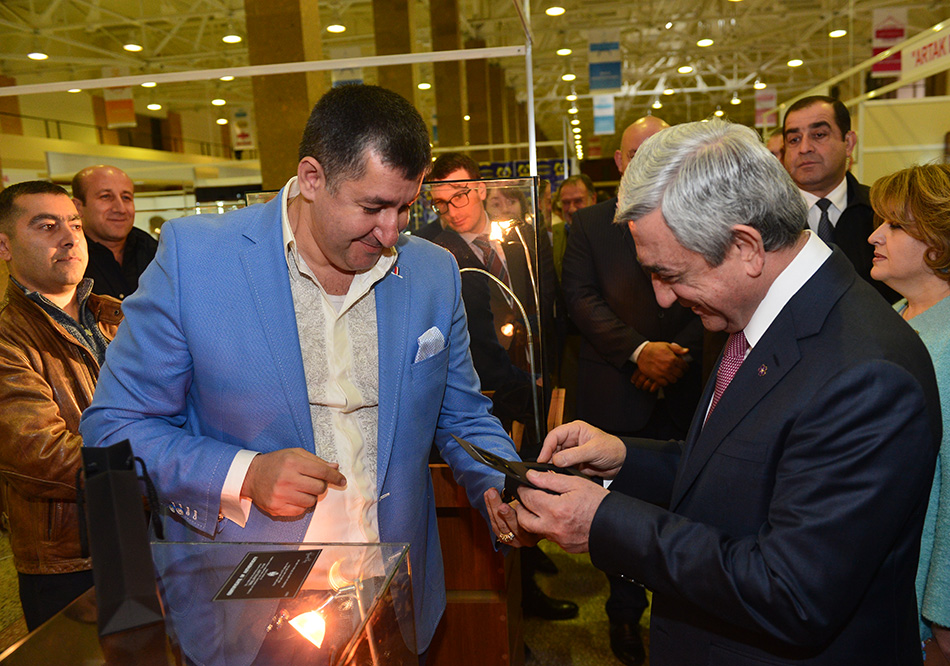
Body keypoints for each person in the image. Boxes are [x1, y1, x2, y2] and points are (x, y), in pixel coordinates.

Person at [80, 85, 519, 665]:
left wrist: (500, 484)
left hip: (392, 590)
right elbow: (113, 429)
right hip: (247, 604)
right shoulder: (196, 259)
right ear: (312, 178)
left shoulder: (433, 271)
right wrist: (246, 474)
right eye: (372, 207)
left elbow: (462, 414)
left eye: (405, 207)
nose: (391, 233)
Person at [485, 119, 942, 665]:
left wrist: (602, 522)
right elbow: (741, 469)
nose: (663, 297)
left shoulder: (866, 375)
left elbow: (790, 591)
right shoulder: (769, 316)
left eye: (670, 273)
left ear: (746, 246)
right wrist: (624, 459)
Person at [561, 115, 703, 666]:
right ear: (620, 162)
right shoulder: (591, 224)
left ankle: (680, 613)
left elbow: (714, 287)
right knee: (613, 509)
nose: (651, 160)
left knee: (688, 506)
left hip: (686, 387)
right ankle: (623, 614)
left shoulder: (698, 214)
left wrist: (675, 354)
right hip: (616, 390)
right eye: (639, 152)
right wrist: (641, 352)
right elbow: (580, 299)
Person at [426, 153, 576, 621]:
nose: (451, 210)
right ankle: (523, 593)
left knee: (535, 471)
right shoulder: (432, 250)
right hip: (482, 392)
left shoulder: (522, 237)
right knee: (505, 486)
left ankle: (535, 554)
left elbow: (547, 306)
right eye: (440, 203)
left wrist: (545, 374)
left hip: (532, 380)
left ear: (482, 188)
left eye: (459, 196)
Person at [868, 163, 950, 666]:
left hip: (925, 615)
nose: (875, 235)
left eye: (895, 225)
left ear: (943, 242)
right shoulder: (898, 314)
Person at [0, 181, 123, 630]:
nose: (70, 237)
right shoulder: (8, 341)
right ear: (4, 246)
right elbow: (42, 455)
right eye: (47, 226)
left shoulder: (120, 316)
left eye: (74, 223)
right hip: (73, 560)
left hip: (156, 535)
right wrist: (167, 467)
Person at [782, 95, 898, 302]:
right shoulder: (765, 220)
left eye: (819, 135)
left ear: (848, 143)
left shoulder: (885, 213)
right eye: (794, 140)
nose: (804, 148)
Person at [71, 165, 157, 299]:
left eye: (126, 197)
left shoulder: (157, 253)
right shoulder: (66, 258)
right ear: (78, 207)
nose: (120, 209)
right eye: (106, 196)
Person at [552, 174, 596, 279]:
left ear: (593, 199)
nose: (572, 209)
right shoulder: (552, 234)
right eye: (566, 202)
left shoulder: (607, 232)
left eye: (578, 201)